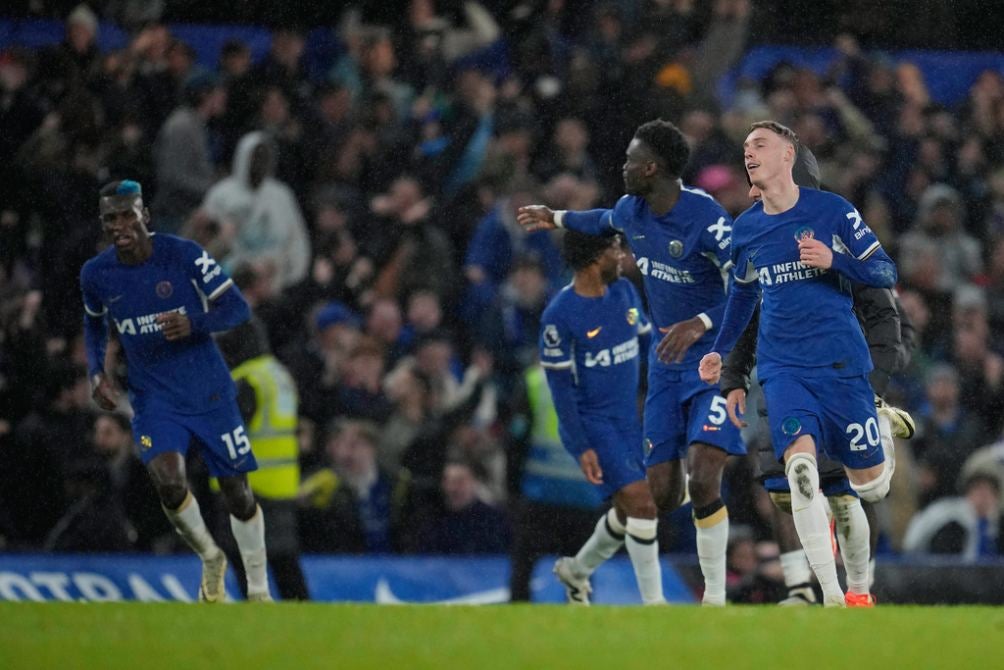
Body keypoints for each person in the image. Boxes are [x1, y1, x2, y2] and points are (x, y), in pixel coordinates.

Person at [519, 119, 743, 606]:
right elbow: (598, 221)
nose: (621, 167)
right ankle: (579, 568)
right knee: (658, 497)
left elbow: (750, 291)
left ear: (652, 168)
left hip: (712, 362)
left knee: (704, 478)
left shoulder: (707, 219)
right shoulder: (631, 211)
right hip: (666, 368)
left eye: (628, 160)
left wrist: (700, 323)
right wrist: (555, 217)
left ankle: (716, 602)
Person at [698, 121, 899, 607]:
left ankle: (884, 426)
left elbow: (885, 270)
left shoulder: (832, 211)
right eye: (745, 148)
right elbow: (741, 300)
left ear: (788, 156)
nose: (749, 153)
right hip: (783, 369)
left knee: (870, 491)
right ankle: (832, 597)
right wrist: (721, 353)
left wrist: (835, 261)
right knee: (802, 472)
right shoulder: (745, 228)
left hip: (840, 364)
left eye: (760, 145)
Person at [80, 179, 271, 602]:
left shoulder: (184, 255)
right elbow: (93, 324)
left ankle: (258, 590)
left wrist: (194, 322)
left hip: (210, 394)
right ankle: (210, 556)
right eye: (110, 218)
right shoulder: (96, 274)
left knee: (238, 495)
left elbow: (236, 308)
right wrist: (97, 372)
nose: (119, 225)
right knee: (169, 482)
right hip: (154, 398)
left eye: (127, 214)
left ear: (144, 215)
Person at [539, 230, 665, 606]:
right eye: (615, 249)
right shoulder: (559, 316)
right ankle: (655, 605)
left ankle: (576, 571)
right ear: (595, 259)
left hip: (630, 418)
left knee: (629, 512)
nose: (623, 255)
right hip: (594, 424)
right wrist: (581, 446)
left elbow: (649, 346)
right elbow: (560, 391)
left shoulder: (625, 292)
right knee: (643, 504)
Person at [216, 316, 310, 600]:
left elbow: (229, 431)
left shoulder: (249, 380)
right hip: (281, 483)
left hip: (249, 484)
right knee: (283, 558)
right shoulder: (278, 375)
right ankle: (302, 610)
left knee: (243, 556)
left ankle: (256, 609)